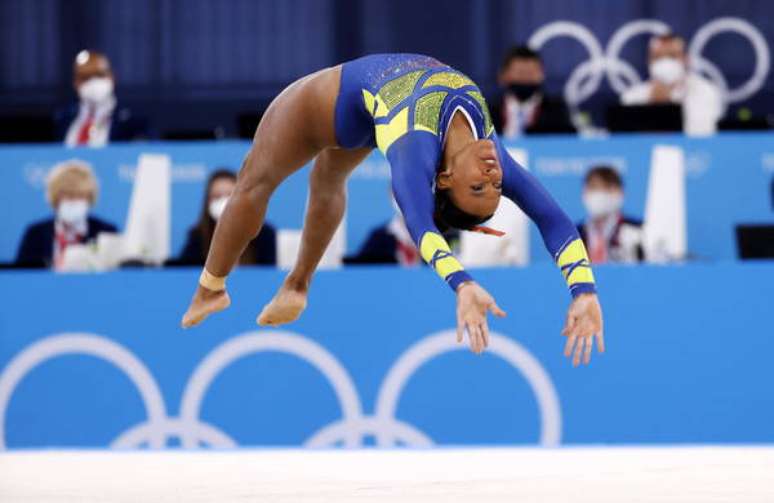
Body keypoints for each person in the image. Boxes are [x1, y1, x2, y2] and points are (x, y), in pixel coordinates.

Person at [181, 54, 604, 366]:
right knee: (320, 180)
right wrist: (584, 290)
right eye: (493, 186)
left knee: (259, 181)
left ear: (443, 179)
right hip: (360, 106)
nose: (494, 174)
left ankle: (214, 288)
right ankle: (285, 286)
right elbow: (555, 220)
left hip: (325, 106)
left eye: (479, 185)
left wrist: (461, 283)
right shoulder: (492, 152)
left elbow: (421, 226)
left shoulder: (413, 151)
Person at [16, 160, 117, 269]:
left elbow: (115, 274)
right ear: (56, 198)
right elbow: (22, 275)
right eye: (68, 196)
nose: (74, 202)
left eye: (80, 196)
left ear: (89, 199)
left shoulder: (106, 232)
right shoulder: (36, 234)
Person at [621, 34, 723, 136]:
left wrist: (669, 102)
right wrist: (653, 105)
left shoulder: (706, 92)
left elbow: (705, 133)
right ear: (649, 61)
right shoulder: (632, 97)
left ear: (685, 59)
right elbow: (626, 140)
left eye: (672, 56)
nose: (665, 62)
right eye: (657, 57)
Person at [178, 169, 276, 266]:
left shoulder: (264, 234)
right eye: (216, 197)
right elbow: (185, 271)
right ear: (207, 202)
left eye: (230, 196)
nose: (223, 203)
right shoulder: (198, 236)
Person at [59, 50, 150, 147]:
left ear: (111, 77)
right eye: (85, 77)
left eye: (99, 75)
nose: (93, 82)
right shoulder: (63, 119)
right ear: (75, 83)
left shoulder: (132, 123)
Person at [489, 46, 575, 138]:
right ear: (503, 76)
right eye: (520, 73)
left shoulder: (557, 111)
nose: (526, 79)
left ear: (542, 75)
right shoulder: (489, 111)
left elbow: (569, 143)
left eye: (531, 73)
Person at [577, 166, 644, 264]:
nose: (600, 194)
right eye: (594, 187)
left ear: (620, 193)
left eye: (607, 188)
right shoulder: (574, 233)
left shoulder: (638, 230)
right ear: (584, 192)